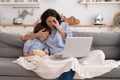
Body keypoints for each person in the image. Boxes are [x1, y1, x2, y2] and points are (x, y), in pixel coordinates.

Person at [22, 8, 75, 80]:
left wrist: (58, 27)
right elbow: (24, 38)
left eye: (54, 21)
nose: (52, 23)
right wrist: (37, 34)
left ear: (57, 19)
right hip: (52, 56)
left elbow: (71, 40)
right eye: (49, 21)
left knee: (71, 63)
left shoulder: (64, 26)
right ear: (45, 21)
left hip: (65, 53)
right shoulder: (43, 28)